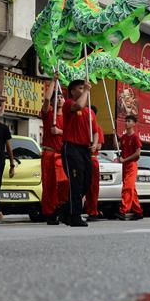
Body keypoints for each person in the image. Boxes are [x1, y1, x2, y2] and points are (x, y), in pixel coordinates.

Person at [61, 79, 96, 227]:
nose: (83, 90)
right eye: (80, 88)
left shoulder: (89, 112)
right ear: (73, 91)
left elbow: (95, 131)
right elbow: (79, 105)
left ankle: (65, 211)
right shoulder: (68, 104)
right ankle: (75, 215)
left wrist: (94, 144)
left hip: (84, 149)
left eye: (84, 88)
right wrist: (87, 90)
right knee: (76, 182)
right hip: (72, 148)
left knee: (87, 182)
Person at [40, 80, 68, 225]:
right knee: (49, 184)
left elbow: (71, 134)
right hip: (49, 154)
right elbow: (45, 99)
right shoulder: (48, 113)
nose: (59, 98)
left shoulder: (68, 117)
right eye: (56, 97)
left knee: (64, 184)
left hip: (62, 156)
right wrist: (53, 80)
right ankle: (50, 213)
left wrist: (59, 131)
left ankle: (61, 208)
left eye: (61, 97)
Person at [117, 114, 143, 220]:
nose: (126, 123)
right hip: (125, 166)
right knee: (132, 189)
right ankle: (138, 211)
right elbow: (118, 147)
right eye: (126, 121)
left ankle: (123, 210)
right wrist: (114, 136)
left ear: (133, 123)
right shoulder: (123, 137)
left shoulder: (135, 137)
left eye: (129, 121)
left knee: (127, 187)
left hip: (131, 165)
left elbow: (138, 154)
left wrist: (125, 159)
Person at [84, 105, 105, 221]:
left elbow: (99, 145)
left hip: (92, 158)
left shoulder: (97, 127)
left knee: (93, 187)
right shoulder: (82, 125)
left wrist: (93, 146)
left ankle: (93, 211)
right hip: (81, 159)